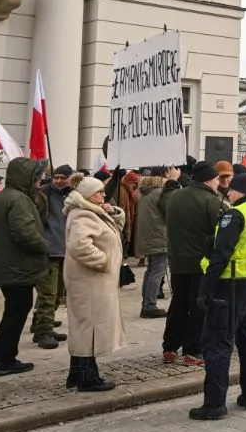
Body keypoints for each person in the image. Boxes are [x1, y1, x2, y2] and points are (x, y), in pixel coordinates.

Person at [189, 172, 246, 420]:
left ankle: (214, 404)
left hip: (232, 285)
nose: (228, 193)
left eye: (232, 189)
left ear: (240, 191)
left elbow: (220, 255)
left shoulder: (234, 215)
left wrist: (205, 289)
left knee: (218, 342)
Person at [0, 157, 48, 376]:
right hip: (17, 266)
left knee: (13, 310)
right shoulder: (18, 199)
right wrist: (44, 246)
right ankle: (6, 359)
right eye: (38, 176)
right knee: (17, 311)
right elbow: (25, 234)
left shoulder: (9, 195)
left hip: (11, 265)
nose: (41, 179)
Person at [62, 173, 126, 392]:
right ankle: (86, 377)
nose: (103, 194)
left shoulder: (93, 211)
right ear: (89, 195)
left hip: (94, 281)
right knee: (88, 327)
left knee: (86, 326)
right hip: (88, 280)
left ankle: (78, 373)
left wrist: (114, 212)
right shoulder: (82, 215)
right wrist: (104, 261)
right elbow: (80, 246)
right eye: (99, 192)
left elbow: (114, 231)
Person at [162, 161, 225, 366]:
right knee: (198, 307)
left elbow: (162, 207)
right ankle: (193, 350)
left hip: (177, 260)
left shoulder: (175, 196)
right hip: (201, 263)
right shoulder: (211, 201)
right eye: (217, 179)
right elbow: (221, 231)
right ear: (208, 180)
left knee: (178, 304)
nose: (218, 183)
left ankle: (170, 347)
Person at [32, 164, 73, 350]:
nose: (58, 181)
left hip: (66, 251)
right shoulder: (43, 193)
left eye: (62, 177)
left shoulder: (73, 195)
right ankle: (43, 331)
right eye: (56, 177)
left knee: (58, 294)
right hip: (49, 250)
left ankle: (41, 323)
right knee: (48, 293)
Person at [136, 165, 180, 318]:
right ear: (166, 172)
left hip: (149, 235)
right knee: (157, 271)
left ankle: (147, 304)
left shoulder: (146, 189)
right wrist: (174, 181)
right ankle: (150, 305)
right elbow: (171, 210)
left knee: (151, 270)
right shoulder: (162, 190)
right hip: (159, 235)